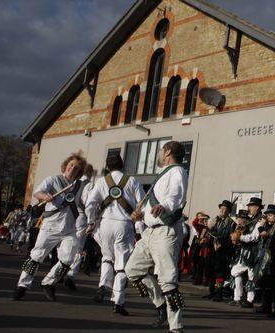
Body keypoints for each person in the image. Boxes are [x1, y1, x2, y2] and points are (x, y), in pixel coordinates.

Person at [125, 141, 188, 333]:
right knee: (132, 270)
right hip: (149, 233)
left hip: (165, 231)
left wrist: (165, 206)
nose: (159, 154)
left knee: (168, 280)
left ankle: (176, 328)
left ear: (167, 151)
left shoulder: (177, 172)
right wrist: (140, 214)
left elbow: (175, 197)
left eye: (161, 150)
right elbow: (152, 206)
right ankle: (161, 305)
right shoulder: (162, 175)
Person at [11, 152, 87, 301]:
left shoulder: (80, 186)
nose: (72, 168)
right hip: (51, 226)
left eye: (76, 167)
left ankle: (49, 282)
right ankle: (22, 285)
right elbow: (37, 193)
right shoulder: (53, 179)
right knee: (36, 256)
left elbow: (85, 203)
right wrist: (45, 197)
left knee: (69, 257)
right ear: (66, 166)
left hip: (69, 229)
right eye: (71, 165)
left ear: (79, 171)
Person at [85, 156, 143, 316]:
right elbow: (141, 205)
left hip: (105, 224)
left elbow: (90, 204)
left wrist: (90, 222)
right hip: (123, 225)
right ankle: (118, 301)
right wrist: (140, 228)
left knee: (107, 258)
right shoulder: (132, 181)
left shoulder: (101, 182)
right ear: (122, 165)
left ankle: (103, 284)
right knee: (122, 265)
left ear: (108, 167)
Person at [63, 163, 94, 292]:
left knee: (66, 242)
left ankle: (60, 270)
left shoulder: (73, 182)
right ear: (91, 172)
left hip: (68, 214)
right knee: (78, 247)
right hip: (81, 215)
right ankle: (71, 275)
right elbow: (88, 202)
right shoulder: (89, 184)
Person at [229, 197, 264, 308]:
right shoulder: (250, 220)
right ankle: (238, 297)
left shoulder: (260, 221)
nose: (249, 208)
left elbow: (254, 237)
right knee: (235, 272)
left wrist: (240, 238)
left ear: (257, 208)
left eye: (251, 206)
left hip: (254, 252)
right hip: (244, 251)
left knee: (251, 276)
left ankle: (250, 300)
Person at [203, 200, 234, 301]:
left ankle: (218, 293)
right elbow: (210, 232)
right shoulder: (214, 220)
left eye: (225, 208)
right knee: (211, 272)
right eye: (221, 208)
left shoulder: (231, 223)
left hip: (223, 251)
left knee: (219, 273)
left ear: (229, 211)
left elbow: (231, 238)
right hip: (212, 249)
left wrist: (222, 245)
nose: (222, 210)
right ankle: (211, 292)